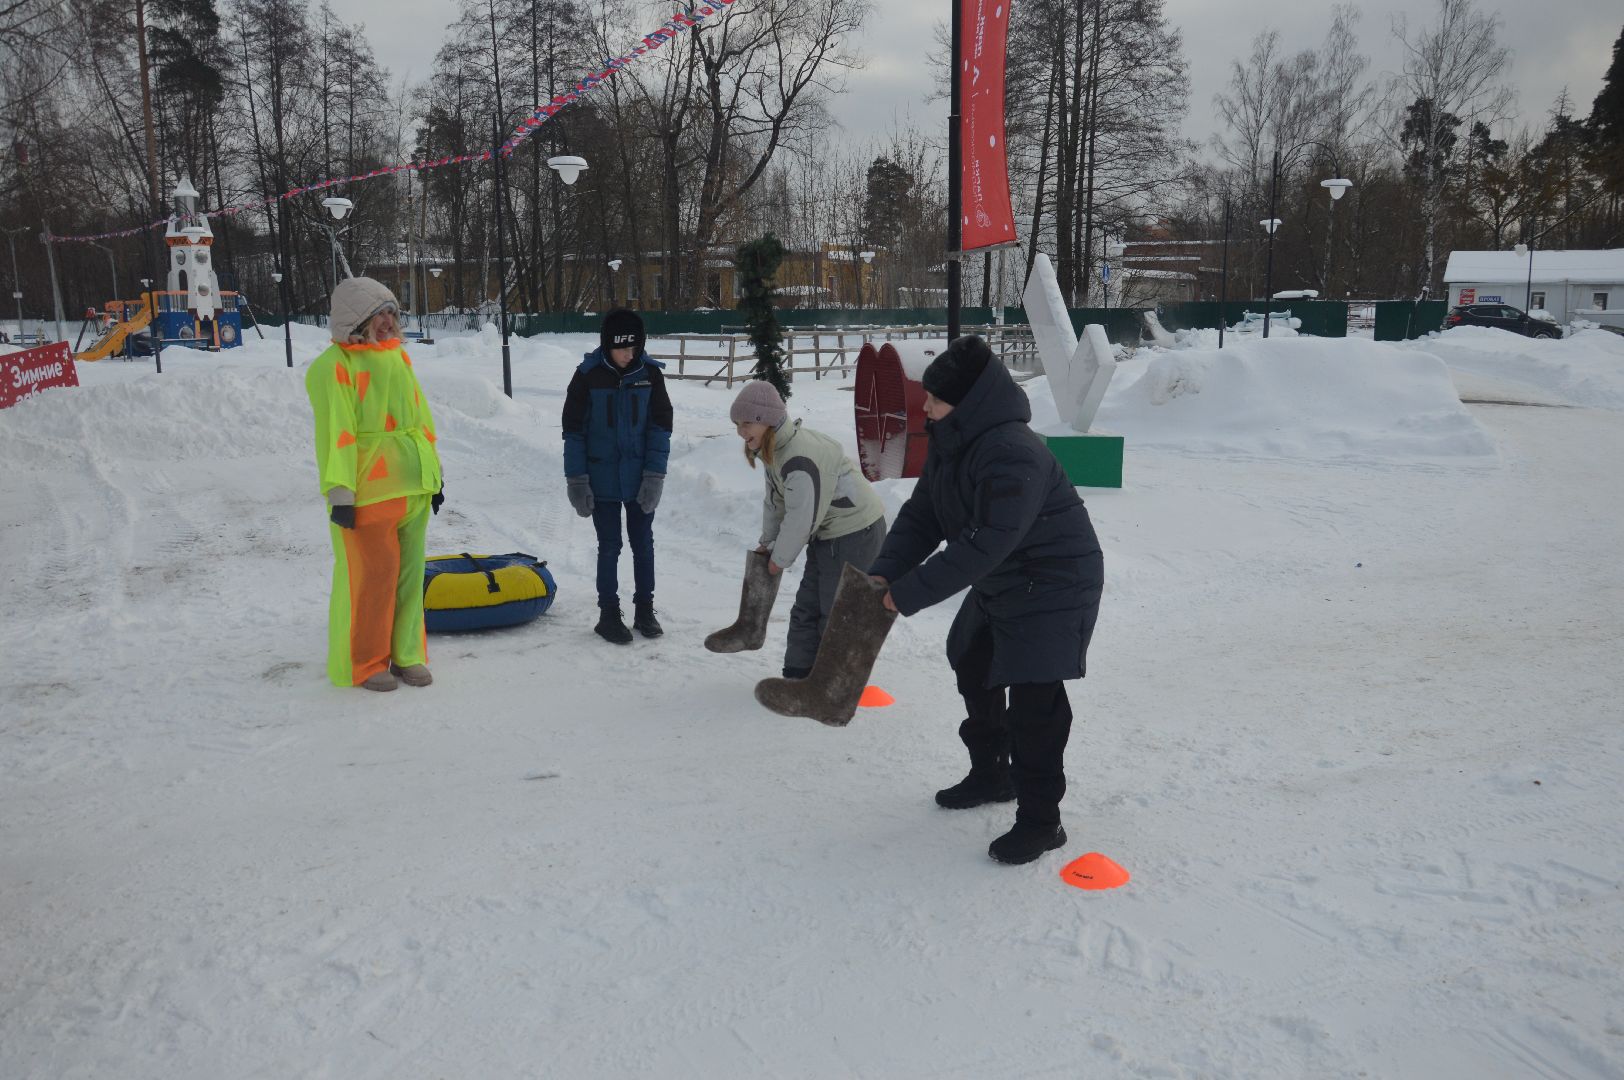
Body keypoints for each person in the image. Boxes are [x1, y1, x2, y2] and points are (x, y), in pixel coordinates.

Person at [868, 335, 1103, 865]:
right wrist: (885, 574)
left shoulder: (1011, 450)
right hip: (1006, 576)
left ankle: (1043, 821)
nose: (924, 407)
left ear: (967, 401)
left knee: (1034, 700)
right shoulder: (954, 441)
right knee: (972, 662)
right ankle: (992, 774)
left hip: (1054, 581)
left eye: (934, 398)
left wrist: (906, 595)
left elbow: (990, 541)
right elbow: (924, 514)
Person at [306, 277, 445, 691]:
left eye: (391, 313)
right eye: (379, 314)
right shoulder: (334, 367)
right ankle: (366, 661)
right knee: (372, 580)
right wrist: (341, 493)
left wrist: (433, 475)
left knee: (407, 577)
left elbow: (422, 419)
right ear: (357, 320)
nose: (388, 322)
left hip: (413, 489)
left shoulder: (399, 359)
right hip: (369, 493)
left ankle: (407, 653)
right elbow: (337, 434)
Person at [718, 380, 888, 677]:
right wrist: (769, 544)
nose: (740, 432)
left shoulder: (798, 457)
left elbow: (801, 518)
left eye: (746, 424)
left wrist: (778, 559)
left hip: (855, 533)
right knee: (806, 607)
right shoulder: (777, 450)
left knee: (835, 612)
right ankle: (797, 673)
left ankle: (831, 686)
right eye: (737, 424)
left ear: (767, 422)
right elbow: (776, 503)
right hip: (829, 533)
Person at [562, 308, 673, 644]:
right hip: (601, 478)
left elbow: (660, 427)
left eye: (634, 347)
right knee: (609, 546)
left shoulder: (650, 375)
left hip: (640, 477)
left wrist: (655, 475)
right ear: (607, 345)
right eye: (622, 348)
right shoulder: (587, 376)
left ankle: (644, 609)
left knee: (644, 544)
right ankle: (608, 614)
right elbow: (574, 433)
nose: (629, 353)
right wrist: (577, 480)